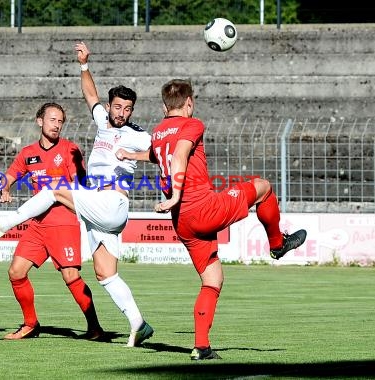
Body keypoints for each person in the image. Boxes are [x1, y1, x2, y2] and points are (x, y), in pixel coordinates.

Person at [0, 41, 154, 347]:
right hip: (100, 212)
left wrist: (135, 155)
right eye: (118, 107)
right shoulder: (102, 121)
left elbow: (164, 154)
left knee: (55, 190)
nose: (122, 113)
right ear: (110, 106)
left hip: (112, 201)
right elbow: (90, 95)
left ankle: (2, 225)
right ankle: (138, 323)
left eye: (128, 109)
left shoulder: (137, 135)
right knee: (105, 273)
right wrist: (84, 65)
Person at [117, 79, 307, 360]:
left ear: (163, 106)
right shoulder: (193, 125)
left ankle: (201, 347)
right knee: (263, 188)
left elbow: (162, 156)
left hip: (182, 221)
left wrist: (129, 154)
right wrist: (175, 196)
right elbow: (179, 156)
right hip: (201, 207)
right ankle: (277, 244)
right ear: (189, 103)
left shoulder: (158, 132)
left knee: (213, 278)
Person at [0, 102, 104, 340]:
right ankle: (30, 324)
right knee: (16, 271)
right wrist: (4, 189)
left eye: (60, 121)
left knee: (71, 276)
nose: (56, 125)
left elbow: (80, 187)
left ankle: (95, 328)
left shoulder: (69, 149)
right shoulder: (28, 153)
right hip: (38, 225)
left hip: (63, 222)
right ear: (40, 121)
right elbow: (10, 176)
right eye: (52, 120)